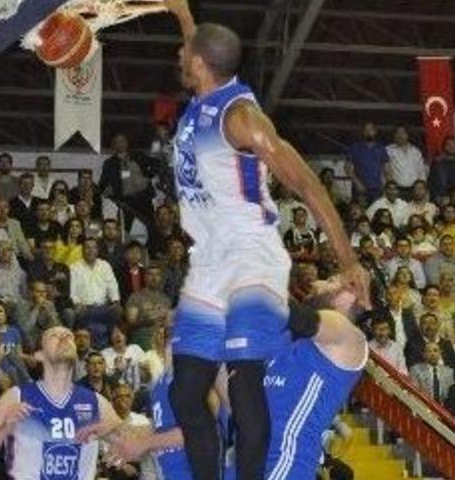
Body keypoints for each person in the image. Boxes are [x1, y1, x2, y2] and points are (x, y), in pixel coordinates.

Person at [164, 4, 369, 478]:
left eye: (184, 50)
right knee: (185, 390)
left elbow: (307, 186)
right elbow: (201, 45)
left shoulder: (242, 118)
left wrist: (349, 260)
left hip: (249, 254)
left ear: (198, 64)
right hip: (213, 257)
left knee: (243, 382)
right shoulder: (204, 98)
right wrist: (181, 12)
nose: (179, 53)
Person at [111, 283, 367, 480]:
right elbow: (232, 405)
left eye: (337, 282)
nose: (324, 281)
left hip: (283, 461)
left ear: (356, 298)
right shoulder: (280, 342)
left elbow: (295, 315)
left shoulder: (345, 336)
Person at [0, 326, 121, 479]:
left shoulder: (96, 401)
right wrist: (3, 429)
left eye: (69, 336)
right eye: (55, 336)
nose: (64, 337)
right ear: (40, 355)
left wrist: (118, 439)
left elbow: (130, 445)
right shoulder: (16, 396)